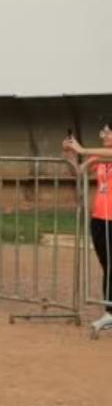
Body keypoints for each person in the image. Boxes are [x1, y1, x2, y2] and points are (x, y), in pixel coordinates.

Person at [62, 126, 112, 333]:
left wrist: (82, 150)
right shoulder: (98, 157)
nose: (103, 135)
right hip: (100, 217)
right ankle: (109, 312)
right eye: (102, 132)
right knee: (107, 265)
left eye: (108, 132)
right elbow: (78, 172)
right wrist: (71, 155)